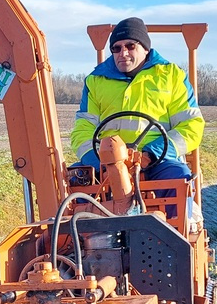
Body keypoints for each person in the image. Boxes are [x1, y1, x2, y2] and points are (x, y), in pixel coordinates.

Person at [70, 17, 204, 215]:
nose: (123, 53)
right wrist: (98, 160)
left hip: (157, 161)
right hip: (107, 162)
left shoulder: (171, 76)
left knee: (179, 178)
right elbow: (83, 129)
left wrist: (153, 153)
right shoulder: (95, 81)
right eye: (116, 48)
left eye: (130, 46)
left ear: (145, 48)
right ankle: (85, 240)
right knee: (74, 181)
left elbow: (191, 125)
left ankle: (173, 237)